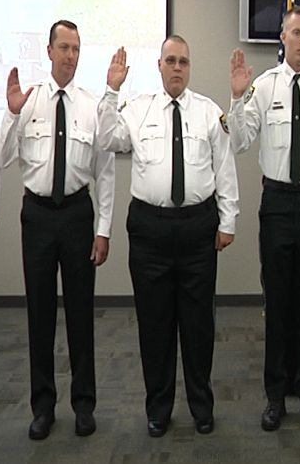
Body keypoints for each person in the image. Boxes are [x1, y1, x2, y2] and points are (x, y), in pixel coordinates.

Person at [96, 38, 239, 437]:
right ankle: (158, 407)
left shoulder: (209, 112)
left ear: (189, 68)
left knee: (198, 326)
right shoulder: (137, 109)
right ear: (159, 65)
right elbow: (107, 139)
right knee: (155, 325)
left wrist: (228, 220)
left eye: (184, 62)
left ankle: (201, 406)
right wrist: (112, 90)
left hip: (198, 229)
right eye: (171, 61)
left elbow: (224, 169)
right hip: (150, 231)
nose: (177, 68)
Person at [0, 20, 115, 440]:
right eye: (63, 47)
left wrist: (103, 230)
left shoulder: (89, 105)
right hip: (38, 216)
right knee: (40, 314)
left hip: (78, 216)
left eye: (76, 49)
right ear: (48, 51)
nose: (70, 55)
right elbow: (2, 156)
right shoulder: (27, 102)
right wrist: (11, 115)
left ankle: (84, 404)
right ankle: (42, 406)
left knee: (82, 314)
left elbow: (105, 173)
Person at [227, 5, 300, 432]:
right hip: (276, 204)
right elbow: (239, 141)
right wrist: (237, 97)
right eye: (296, 33)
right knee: (277, 304)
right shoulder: (263, 86)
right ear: (282, 37)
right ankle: (276, 396)